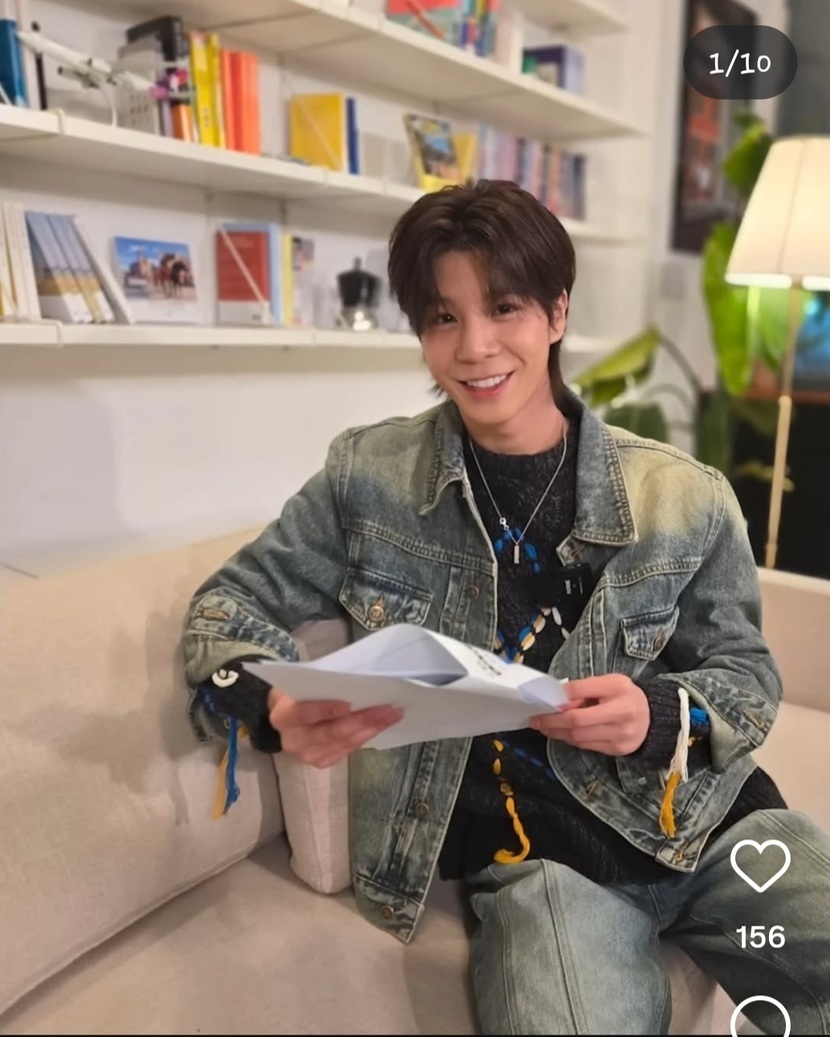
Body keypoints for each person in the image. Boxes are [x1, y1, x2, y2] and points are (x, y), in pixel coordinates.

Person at [182, 180, 830, 1035]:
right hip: (542, 864)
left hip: (714, 827)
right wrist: (272, 707)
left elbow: (745, 677)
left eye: (503, 307)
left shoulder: (683, 495)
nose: (474, 346)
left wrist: (656, 713)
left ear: (556, 313)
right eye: (443, 316)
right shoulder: (366, 480)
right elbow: (225, 606)